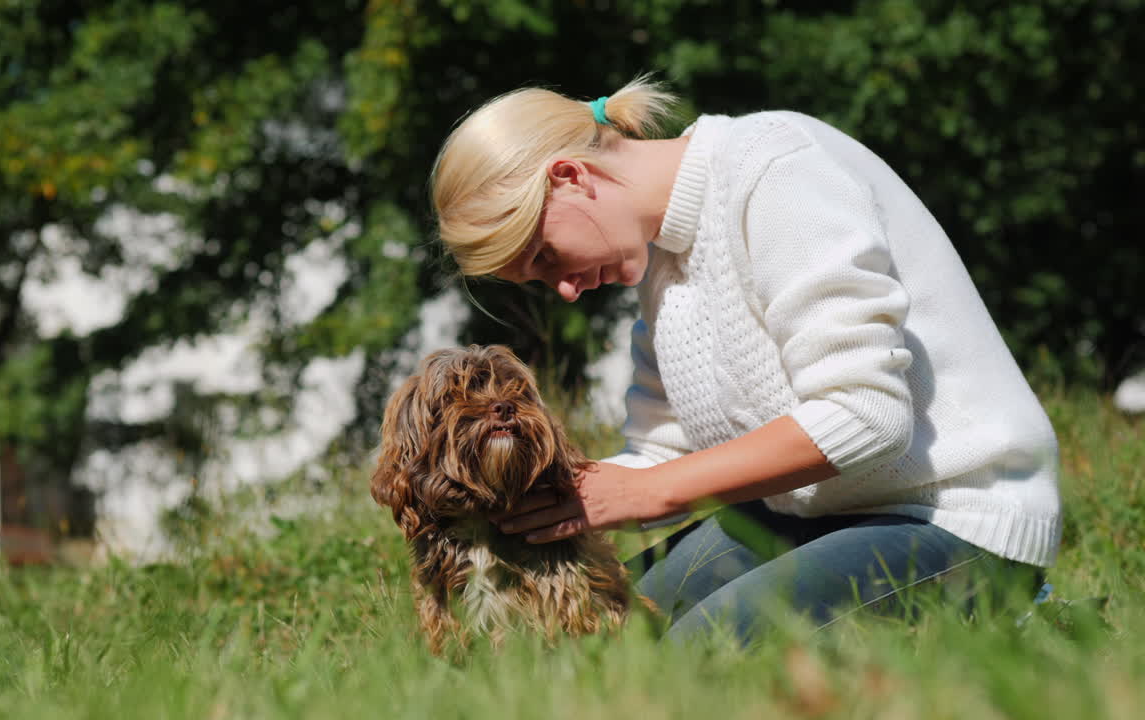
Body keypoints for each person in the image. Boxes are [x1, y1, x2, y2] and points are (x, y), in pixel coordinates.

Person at [430, 76, 1061, 643]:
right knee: (616, 634)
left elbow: (867, 417)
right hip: (813, 515)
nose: (565, 288)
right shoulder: (657, 260)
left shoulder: (777, 171)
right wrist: (540, 499)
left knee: (696, 656)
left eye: (545, 256)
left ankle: (1018, 607)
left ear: (571, 178)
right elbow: (663, 454)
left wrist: (646, 491)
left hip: (954, 519)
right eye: (540, 279)